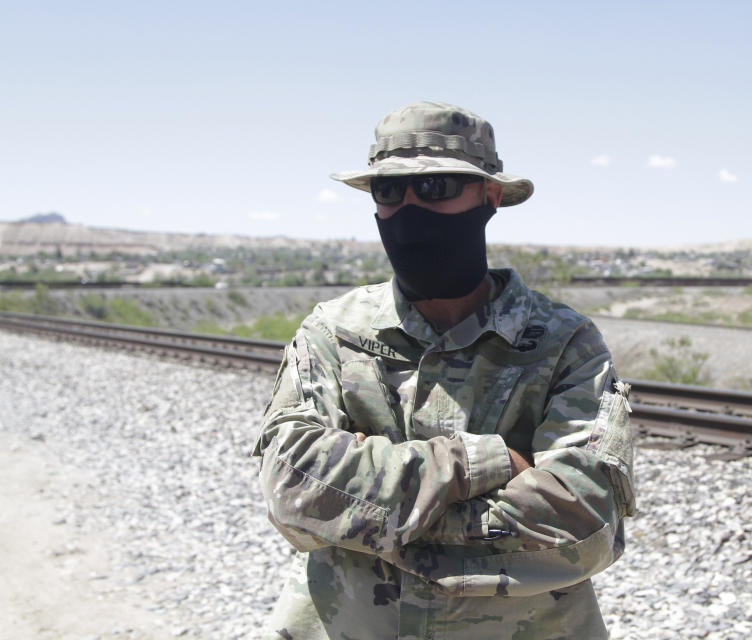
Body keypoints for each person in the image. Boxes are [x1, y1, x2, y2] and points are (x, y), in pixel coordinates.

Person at [252, 101, 636, 639]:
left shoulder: (563, 342)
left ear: (490, 196)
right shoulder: (334, 333)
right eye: (388, 191)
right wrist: (484, 461)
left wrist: (368, 516)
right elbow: (292, 490)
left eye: (436, 188)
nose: (410, 208)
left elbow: (586, 528)